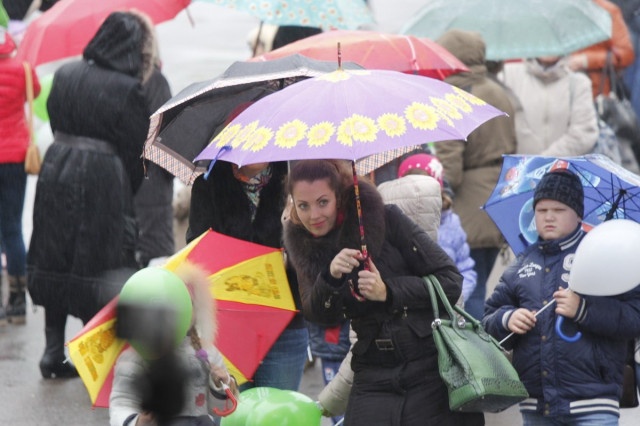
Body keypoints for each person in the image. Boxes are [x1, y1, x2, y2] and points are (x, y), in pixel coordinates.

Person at [283, 159, 483, 426]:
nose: (314, 216)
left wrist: (388, 291)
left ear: (339, 196)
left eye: (322, 202)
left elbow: (450, 281)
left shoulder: (386, 218)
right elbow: (318, 314)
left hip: (427, 363)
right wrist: (330, 277)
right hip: (371, 368)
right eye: (303, 206)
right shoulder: (305, 246)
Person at [27, 11, 158, 378]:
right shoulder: (128, 89)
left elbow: (55, 121)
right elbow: (136, 149)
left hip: (57, 168)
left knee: (54, 257)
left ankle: (52, 351)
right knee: (99, 263)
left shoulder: (66, 74)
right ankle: (93, 358)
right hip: (104, 178)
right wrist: (125, 187)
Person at [482, 169, 640, 425]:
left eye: (559, 209)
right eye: (541, 210)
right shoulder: (522, 263)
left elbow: (634, 317)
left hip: (593, 401)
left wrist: (584, 309)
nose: (549, 217)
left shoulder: (606, 256)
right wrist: (507, 319)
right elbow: (488, 319)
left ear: (578, 214)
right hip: (536, 404)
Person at [187, 160, 308, 391]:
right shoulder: (209, 183)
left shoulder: (296, 180)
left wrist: (292, 232)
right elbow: (197, 251)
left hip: (284, 325)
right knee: (233, 408)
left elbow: (314, 255)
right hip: (228, 324)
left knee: (277, 410)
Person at [435, 29, 517, 320]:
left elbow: (451, 171)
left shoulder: (454, 96)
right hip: (499, 199)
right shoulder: (499, 92)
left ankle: (474, 344)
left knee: (468, 289)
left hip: (468, 207)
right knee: (480, 282)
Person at [110, 266, 238, 426]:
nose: (185, 310)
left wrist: (221, 384)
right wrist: (137, 421)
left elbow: (218, 409)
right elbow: (121, 402)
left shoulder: (207, 352)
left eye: (190, 304)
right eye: (177, 304)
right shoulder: (136, 355)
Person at [393, 153, 477, 306]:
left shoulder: (451, 222)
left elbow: (465, 269)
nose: (419, 196)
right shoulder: (394, 225)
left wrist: (456, 297)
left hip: (448, 308)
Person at [0, 27, 40, 325]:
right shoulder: (24, 69)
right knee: (13, 227)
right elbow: (34, 92)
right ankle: (17, 302)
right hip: (15, 156)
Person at [501, 55, 599, 157]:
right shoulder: (508, 75)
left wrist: (543, 162)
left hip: (561, 165)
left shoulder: (578, 83)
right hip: (515, 165)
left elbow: (583, 132)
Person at [569, 0, 635, 99]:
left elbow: (625, 55)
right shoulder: (555, 9)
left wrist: (586, 60)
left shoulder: (606, 11)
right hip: (558, 91)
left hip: (595, 93)